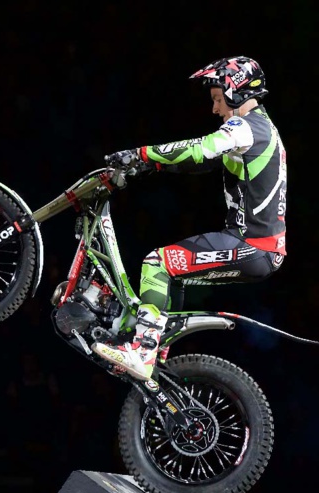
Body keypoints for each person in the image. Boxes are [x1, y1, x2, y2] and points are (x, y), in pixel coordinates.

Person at [91, 56, 288, 381]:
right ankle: (158, 355)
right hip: (262, 249)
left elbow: (200, 150)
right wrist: (152, 165)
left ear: (236, 91)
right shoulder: (264, 129)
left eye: (216, 99)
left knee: (157, 263)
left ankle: (142, 350)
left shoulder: (245, 127)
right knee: (176, 276)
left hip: (252, 246)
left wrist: (141, 154)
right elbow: (201, 163)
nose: (215, 109)